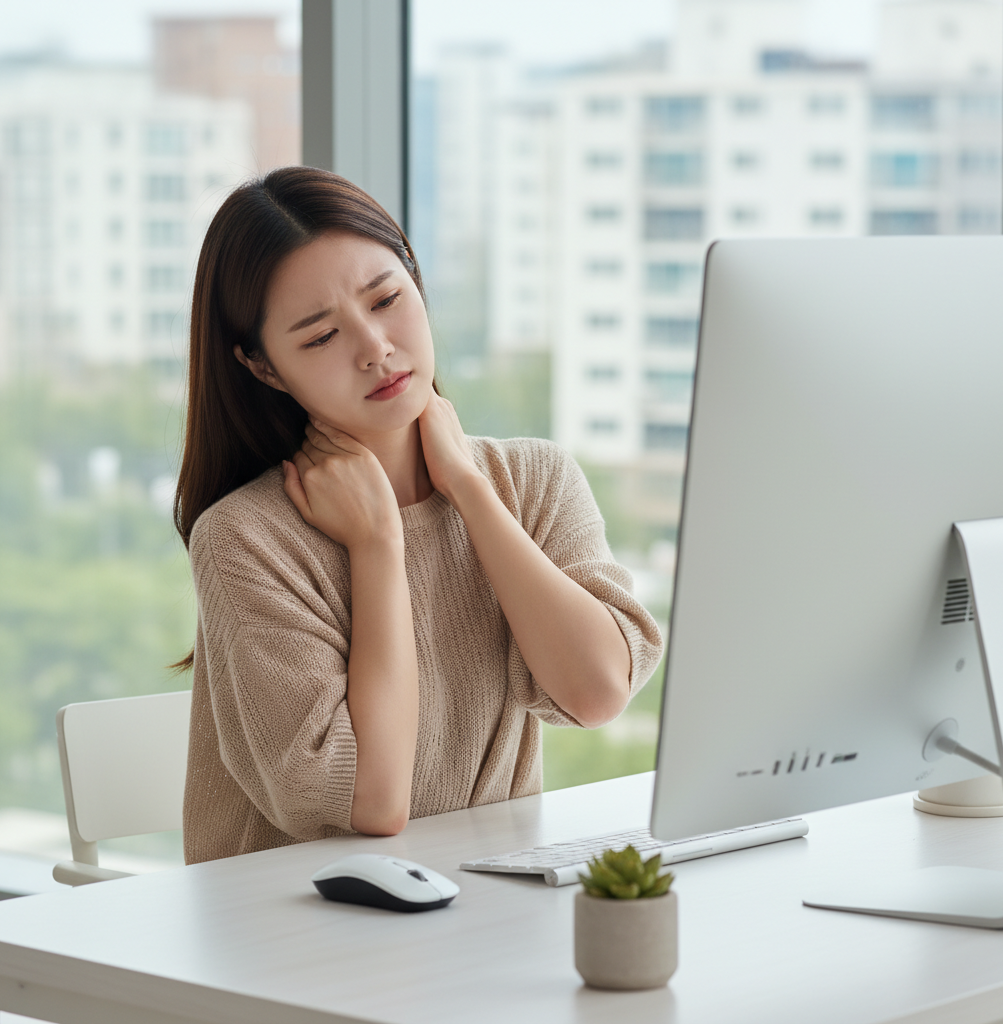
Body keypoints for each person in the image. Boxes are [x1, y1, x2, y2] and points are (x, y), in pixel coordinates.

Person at [174, 166, 663, 863]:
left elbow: (596, 693)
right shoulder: (245, 538)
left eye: (386, 299)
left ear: (417, 280)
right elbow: (374, 803)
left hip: (483, 905)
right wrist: (376, 544)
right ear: (264, 368)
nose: (374, 348)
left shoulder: (532, 479)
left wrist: (467, 487)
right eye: (319, 337)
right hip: (295, 930)